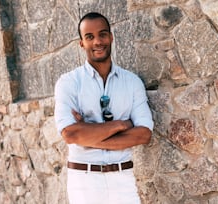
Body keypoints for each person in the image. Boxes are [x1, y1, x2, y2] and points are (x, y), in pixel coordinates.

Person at [54, 12, 154, 204]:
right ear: (81, 43)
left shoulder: (132, 82)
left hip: (123, 177)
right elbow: (71, 135)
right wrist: (120, 125)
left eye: (103, 34)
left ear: (111, 36)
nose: (98, 41)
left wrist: (88, 136)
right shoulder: (68, 83)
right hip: (84, 179)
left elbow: (143, 134)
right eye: (89, 37)